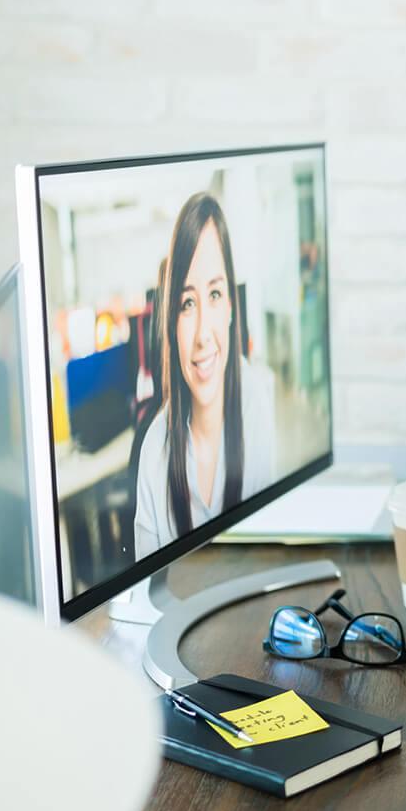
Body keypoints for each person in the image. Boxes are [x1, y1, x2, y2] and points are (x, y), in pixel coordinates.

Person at [134, 191, 274, 557]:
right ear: (170, 322)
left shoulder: (257, 397)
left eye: (214, 295)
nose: (201, 335)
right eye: (187, 303)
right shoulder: (154, 454)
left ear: (230, 305)